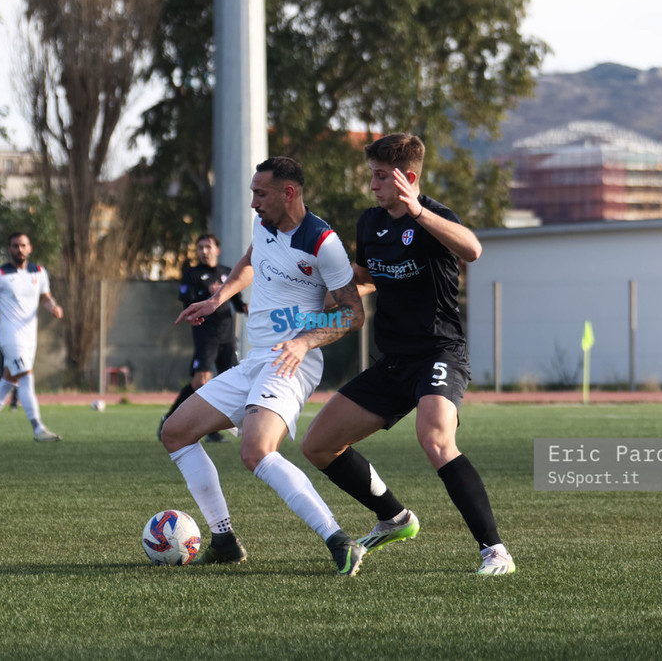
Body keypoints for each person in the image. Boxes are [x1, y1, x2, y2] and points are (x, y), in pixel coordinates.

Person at [301, 133, 516, 577]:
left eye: (381, 176)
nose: (373, 185)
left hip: (440, 353)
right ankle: (394, 518)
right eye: (372, 175)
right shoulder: (370, 222)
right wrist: (320, 289)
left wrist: (418, 211)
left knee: (435, 438)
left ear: (408, 178)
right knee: (317, 444)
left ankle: (496, 551)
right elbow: (368, 276)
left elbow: (473, 250)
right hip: (394, 361)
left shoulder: (435, 217)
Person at [160, 156, 368, 576]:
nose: (253, 202)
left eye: (260, 193)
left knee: (255, 450)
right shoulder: (264, 225)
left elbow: (353, 313)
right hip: (257, 358)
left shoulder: (322, 242)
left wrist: (304, 341)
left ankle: (338, 539)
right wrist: (216, 299)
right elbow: (250, 261)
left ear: (288, 193)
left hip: (294, 360)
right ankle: (224, 540)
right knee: (175, 432)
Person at [0, 232, 64, 443]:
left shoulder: (39, 272)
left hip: (29, 338)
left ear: (30, 248)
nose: (19, 249)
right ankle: (38, 428)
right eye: (15, 246)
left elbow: (45, 298)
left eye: (23, 245)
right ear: (9, 249)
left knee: (8, 381)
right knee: (26, 377)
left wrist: (53, 307)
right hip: (10, 337)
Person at [158, 233, 247, 443]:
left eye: (208, 247)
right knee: (200, 382)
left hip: (227, 336)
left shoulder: (227, 272)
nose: (204, 251)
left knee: (232, 384)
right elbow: (188, 304)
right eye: (200, 248)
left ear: (217, 250)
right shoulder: (192, 274)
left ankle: (213, 429)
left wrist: (248, 308)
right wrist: (208, 294)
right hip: (205, 336)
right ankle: (169, 419)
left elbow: (237, 303)